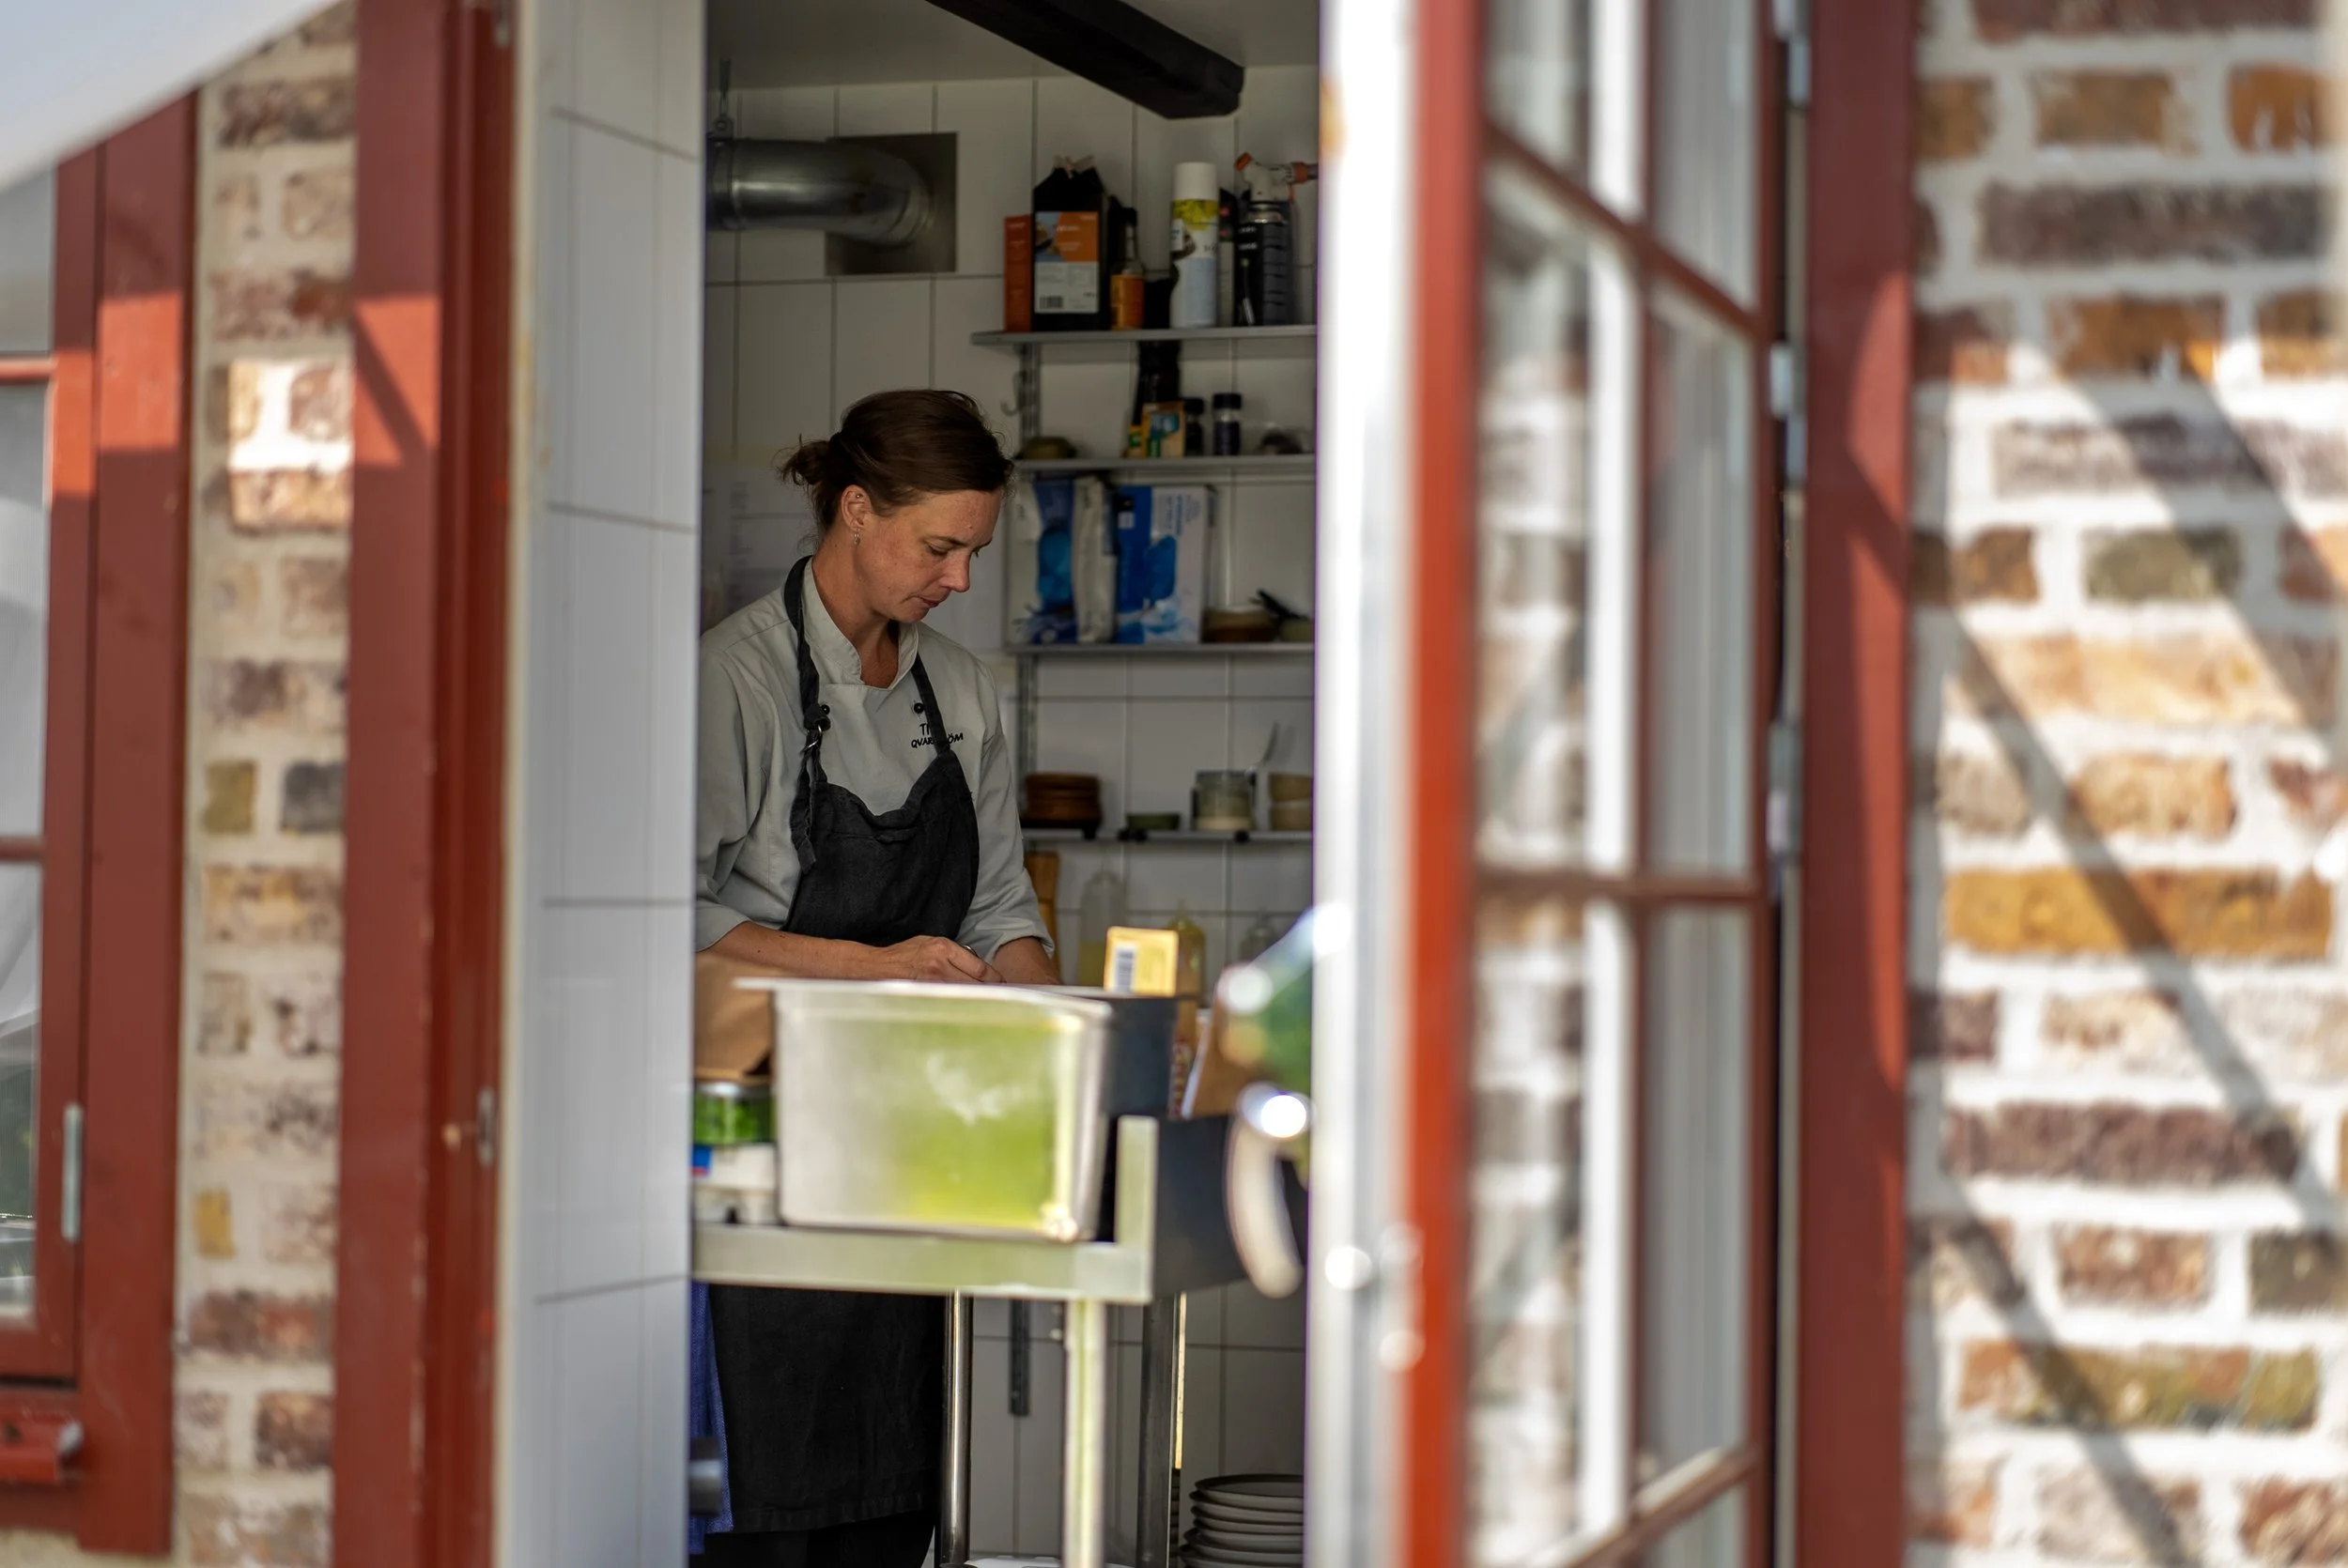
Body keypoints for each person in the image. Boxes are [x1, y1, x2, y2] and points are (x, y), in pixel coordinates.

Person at [694, 388, 1058, 1566]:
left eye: (972, 553)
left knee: (895, 1498)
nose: (958, 579)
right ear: (856, 509)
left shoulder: (961, 689)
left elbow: (998, 903)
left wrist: (1053, 1027)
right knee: (775, 1506)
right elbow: (662, 911)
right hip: (760, 1145)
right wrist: (865, 966)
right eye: (940, 547)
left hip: (912, 1147)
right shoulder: (736, 677)